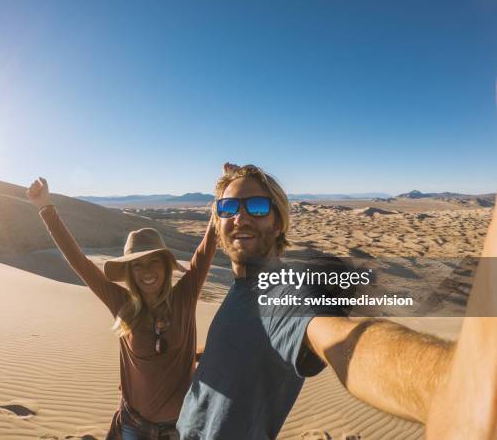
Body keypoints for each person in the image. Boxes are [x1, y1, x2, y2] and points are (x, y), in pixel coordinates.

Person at [176, 164, 497, 440]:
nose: (240, 217)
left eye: (257, 207)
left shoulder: (281, 292)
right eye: (229, 209)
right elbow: (248, 338)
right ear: (217, 222)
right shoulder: (242, 286)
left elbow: (338, 338)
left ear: (277, 222)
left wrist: (448, 389)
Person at [26, 176, 217, 440]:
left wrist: (224, 193)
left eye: (153, 262)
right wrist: (45, 208)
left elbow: (207, 247)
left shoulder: (184, 297)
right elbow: (79, 262)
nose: (146, 271)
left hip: (180, 429)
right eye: (137, 264)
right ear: (129, 271)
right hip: (133, 427)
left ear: (165, 264)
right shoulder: (121, 303)